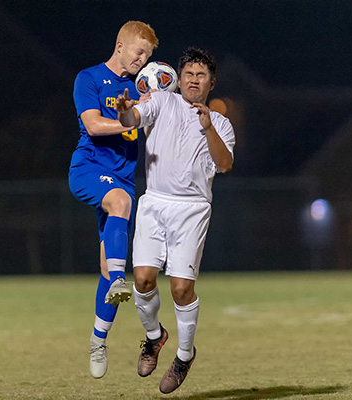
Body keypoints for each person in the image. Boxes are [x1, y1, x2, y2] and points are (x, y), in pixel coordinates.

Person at [116, 46, 235, 394]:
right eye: (188, 74)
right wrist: (125, 112)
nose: (193, 80)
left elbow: (224, 165)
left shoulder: (221, 123)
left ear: (211, 83)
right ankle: (155, 338)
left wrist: (207, 125)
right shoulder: (162, 101)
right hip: (154, 202)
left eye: (200, 75)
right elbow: (133, 119)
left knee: (181, 289)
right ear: (178, 79)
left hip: (192, 209)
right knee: (141, 279)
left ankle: (184, 355)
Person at [68, 21, 158, 379]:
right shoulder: (88, 78)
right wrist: (129, 119)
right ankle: (123, 277)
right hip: (88, 169)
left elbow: (151, 132)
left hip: (121, 177)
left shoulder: (141, 88)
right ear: (120, 44)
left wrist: (152, 111)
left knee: (107, 270)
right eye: (139, 51)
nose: (142, 59)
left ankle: (97, 339)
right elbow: (92, 125)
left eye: (148, 55)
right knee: (121, 202)